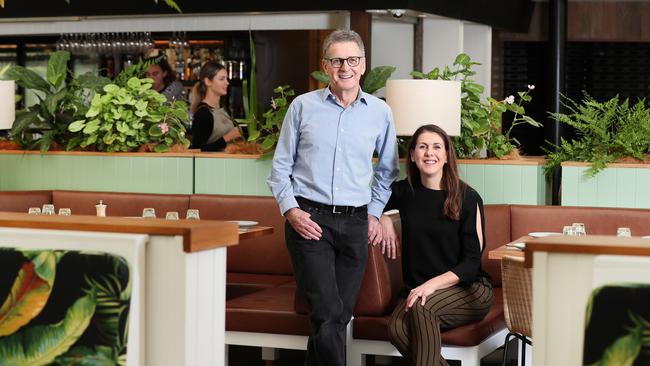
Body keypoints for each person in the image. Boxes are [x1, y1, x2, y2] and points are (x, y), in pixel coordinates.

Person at [267, 29, 399, 366]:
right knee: (327, 311)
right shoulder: (302, 107)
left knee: (338, 315)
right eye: (338, 60)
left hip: (355, 222)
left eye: (352, 60)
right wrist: (291, 211)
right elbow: (280, 168)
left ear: (363, 65)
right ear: (326, 66)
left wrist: (373, 213)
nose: (346, 67)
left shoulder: (380, 113)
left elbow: (387, 172)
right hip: (309, 221)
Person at [379, 124, 493, 366]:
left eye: (436, 147)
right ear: (412, 155)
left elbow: (472, 264)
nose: (429, 153)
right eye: (422, 147)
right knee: (397, 329)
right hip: (420, 289)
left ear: (446, 155)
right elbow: (367, 206)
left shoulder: (468, 198)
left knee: (424, 308)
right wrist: (383, 217)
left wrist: (431, 285)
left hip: (468, 289)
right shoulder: (404, 192)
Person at [189, 61, 241, 152]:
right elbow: (197, 150)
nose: (227, 83)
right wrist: (228, 137)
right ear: (208, 81)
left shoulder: (223, 109)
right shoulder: (203, 113)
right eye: (222, 79)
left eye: (226, 79)